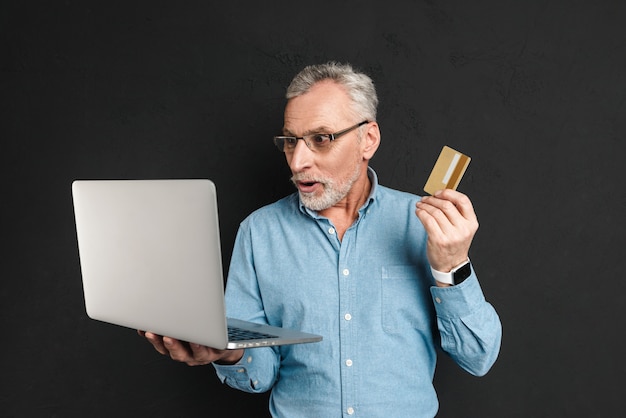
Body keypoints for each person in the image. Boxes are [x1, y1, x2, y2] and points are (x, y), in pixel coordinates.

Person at [140, 61, 502, 417]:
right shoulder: (259, 232)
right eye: (290, 141)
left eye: (320, 139)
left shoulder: (423, 224)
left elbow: (478, 357)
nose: (298, 162)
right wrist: (228, 353)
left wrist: (450, 268)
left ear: (368, 139)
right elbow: (259, 373)